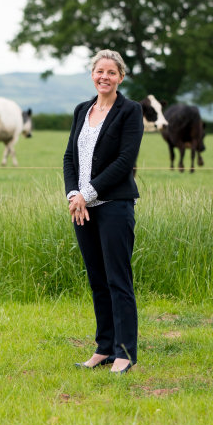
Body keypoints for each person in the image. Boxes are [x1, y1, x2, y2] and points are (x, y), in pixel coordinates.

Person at [64, 49, 143, 374]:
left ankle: (125, 352)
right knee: (97, 280)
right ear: (92, 74)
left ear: (120, 77)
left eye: (111, 72)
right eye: (100, 71)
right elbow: (70, 157)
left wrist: (87, 193)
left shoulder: (130, 111)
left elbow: (125, 161)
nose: (104, 77)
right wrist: (73, 195)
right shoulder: (83, 110)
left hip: (114, 206)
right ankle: (104, 348)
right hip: (82, 209)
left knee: (118, 280)